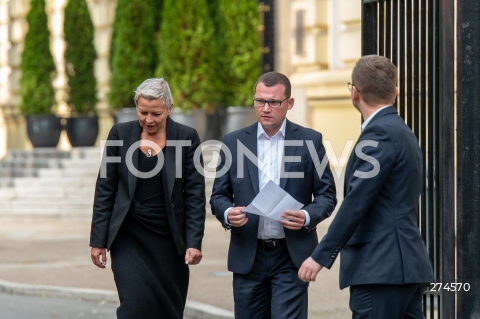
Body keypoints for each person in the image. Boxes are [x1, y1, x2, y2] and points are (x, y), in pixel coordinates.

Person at [298, 55, 435, 318]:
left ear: (354, 93)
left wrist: (320, 256)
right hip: (406, 268)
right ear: (395, 91)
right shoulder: (403, 131)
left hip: (379, 269)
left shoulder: (378, 134)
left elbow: (356, 202)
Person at [210, 71, 337, 319]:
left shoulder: (310, 140)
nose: (265, 108)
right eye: (260, 101)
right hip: (248, 254)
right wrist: (227, 213)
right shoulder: (233, 142)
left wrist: (307, 215)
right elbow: (218, 196)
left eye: (274, 102)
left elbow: (327, 194)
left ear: (289, 103)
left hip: (290, 255)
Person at [89, 78, 206, 319]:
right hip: (129, 236)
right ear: (136, 107)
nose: (149, 120)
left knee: (168, 310)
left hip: (169, 240)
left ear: (170, 108)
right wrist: (98, 240)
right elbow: (105, 188)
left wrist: (194, 241)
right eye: (143, 112)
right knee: (134, 307)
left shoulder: (187, 137)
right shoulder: (119, 134)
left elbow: (195, 194)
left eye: (156, 113)